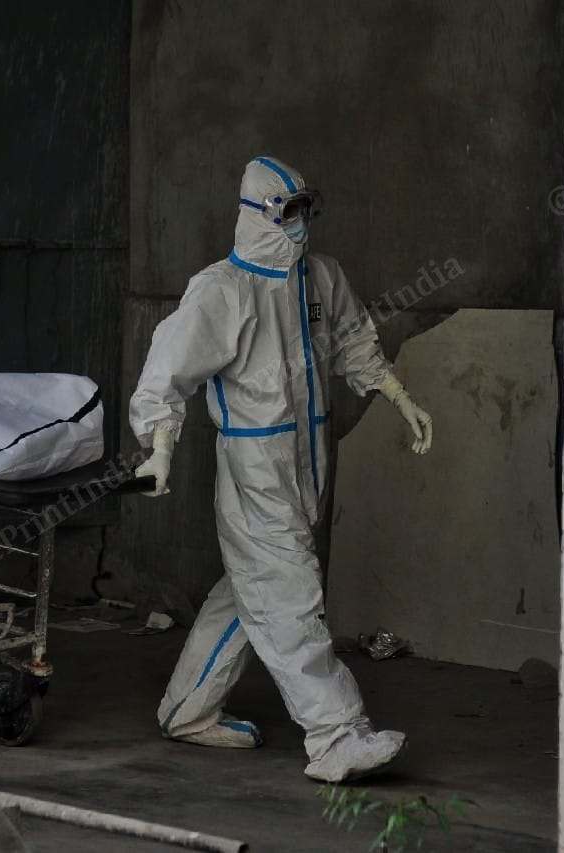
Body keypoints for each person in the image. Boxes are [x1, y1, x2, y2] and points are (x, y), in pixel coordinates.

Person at [128, 156, 433, 782]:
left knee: (251, 592)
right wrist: (158, 448)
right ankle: (336, 738)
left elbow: (353, 341)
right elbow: (168, 373)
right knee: (291, 597)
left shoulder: (321, 277)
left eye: (306, 210)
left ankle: (186, 710)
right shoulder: (224, 290)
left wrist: (399, 395)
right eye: (289, 212)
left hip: (309, 462)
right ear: (259, 214)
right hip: (255, 472)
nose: (302, 224)